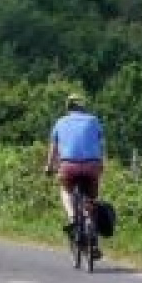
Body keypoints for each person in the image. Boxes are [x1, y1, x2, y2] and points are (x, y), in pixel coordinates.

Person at [45, 94, 105, 253]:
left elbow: (54, 147)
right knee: (92, 198)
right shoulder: (93, 120)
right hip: (92, 165)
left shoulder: (60, 122)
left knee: (65, 190)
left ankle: (73, 219)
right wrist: (101, 163)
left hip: (68, 166)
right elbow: (100, 143)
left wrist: (49, 166)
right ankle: (91, 228)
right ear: (83, 107)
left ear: (68, 107)